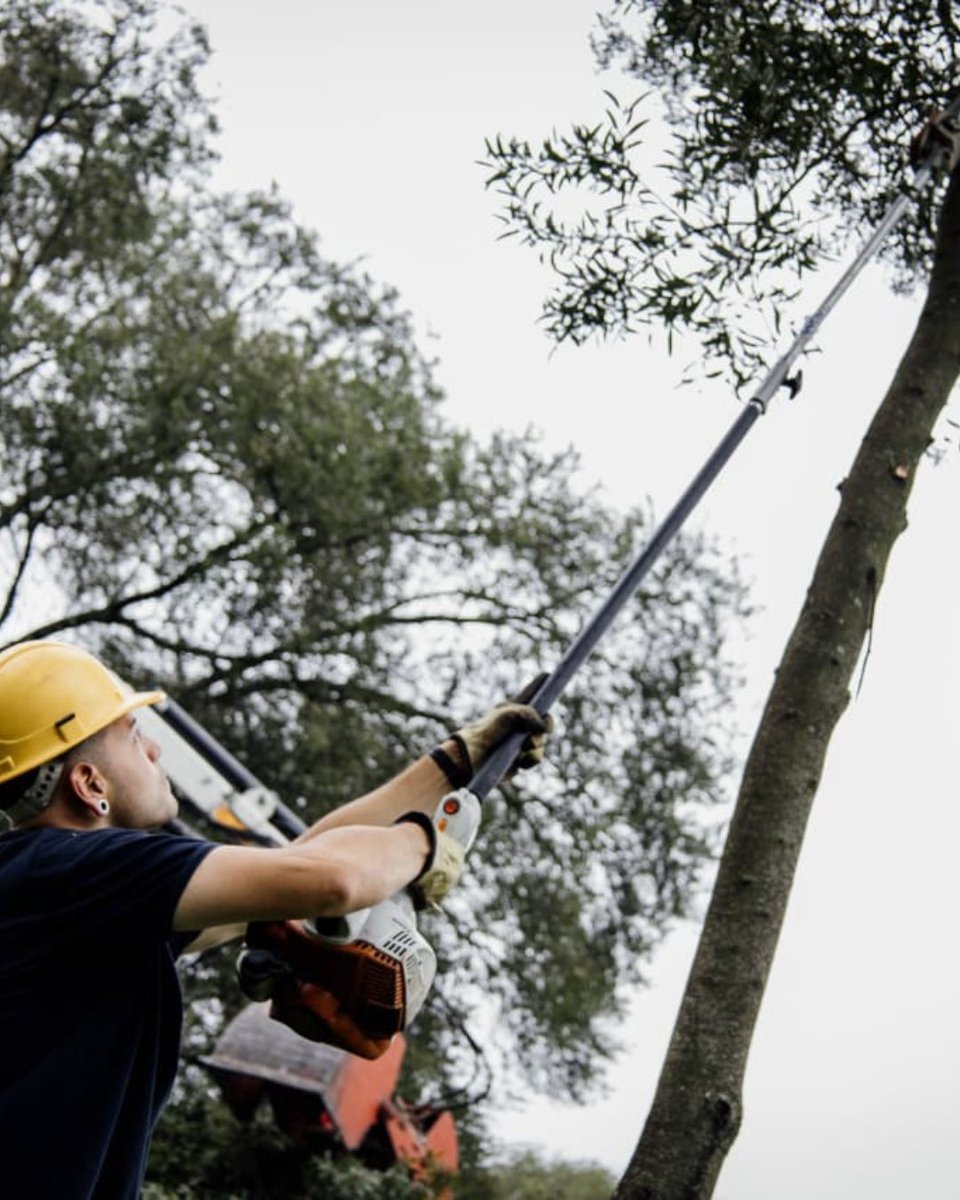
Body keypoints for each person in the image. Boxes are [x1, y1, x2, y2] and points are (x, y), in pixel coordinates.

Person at [0, 639, 550, 1199]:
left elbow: (292, 867)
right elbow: (332, 879)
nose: (155, 752)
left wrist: (457, 765)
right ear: (90, 784)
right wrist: (427, 845)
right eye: (133, 735)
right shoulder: (73, 871)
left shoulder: (60, 893)